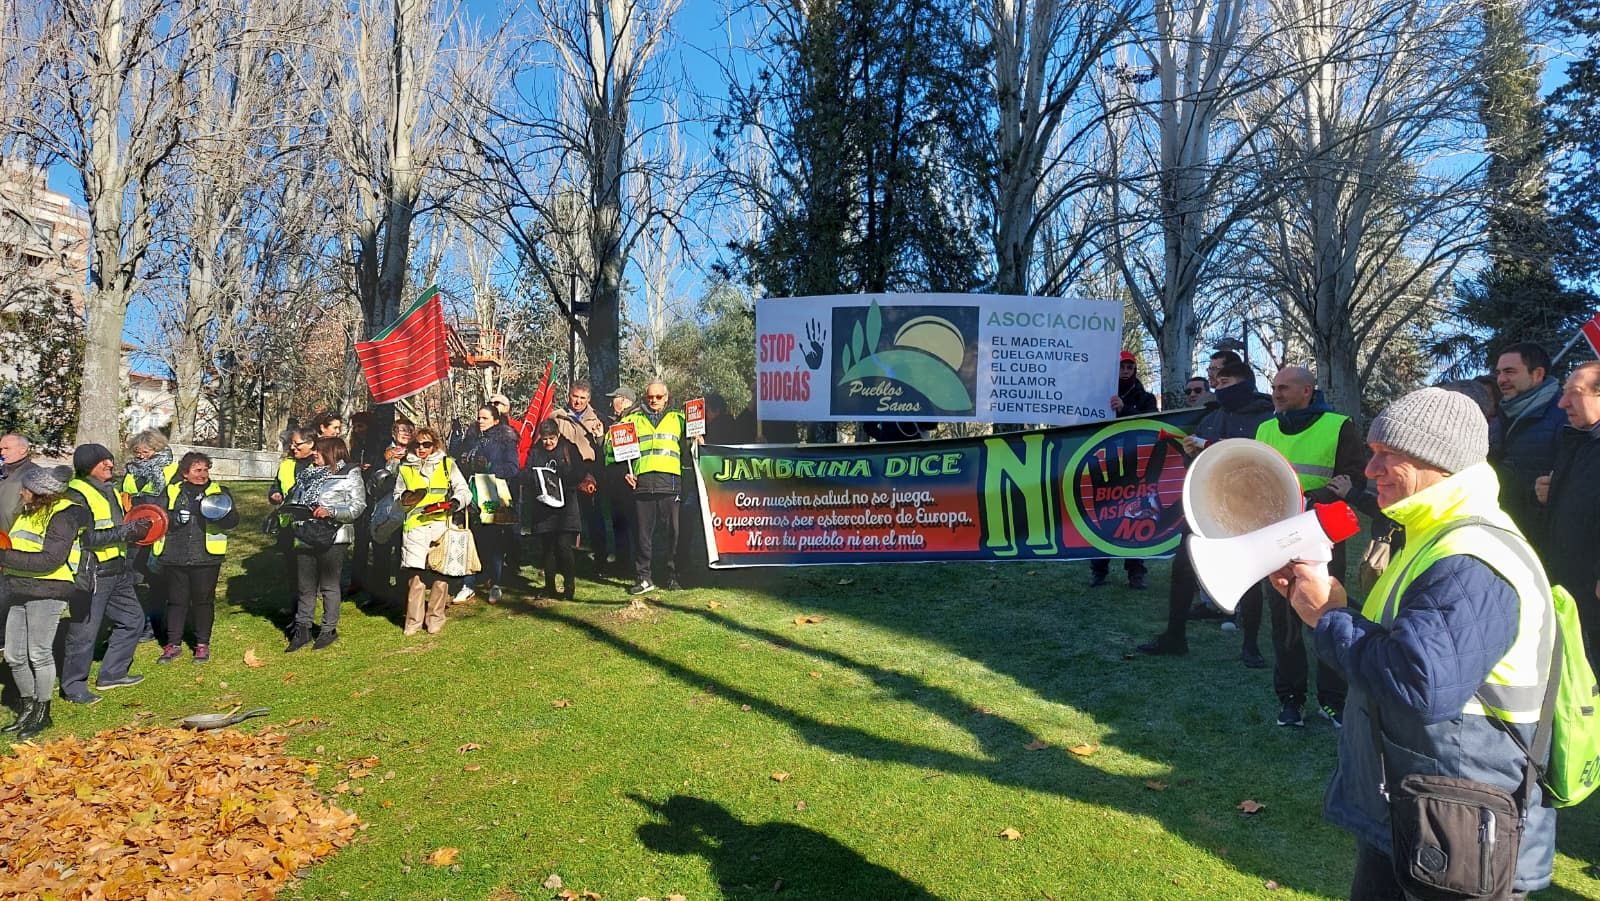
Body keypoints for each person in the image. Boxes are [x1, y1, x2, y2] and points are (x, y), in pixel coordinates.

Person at [1273, 386, 1555, 898]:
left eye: (1388, 456)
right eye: (1372, 453)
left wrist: (1330, 616)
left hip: (1461, 826)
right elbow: (1405, 650)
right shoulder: (1432, 534)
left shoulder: (1470, 553)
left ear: (1439, 464)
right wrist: (1328, 605)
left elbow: (1419, 682)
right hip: (1427, 809)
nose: (1369, 470)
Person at [1137, 361, 1273, 664]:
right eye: (1217, 383)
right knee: (1183, 569)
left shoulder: (1267, 420)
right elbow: (1196, 469)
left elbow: (1260, 461)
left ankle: (1250, 645)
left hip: (1246, 508)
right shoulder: (1211, 419)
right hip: (1204, 506)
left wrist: (1214, 447)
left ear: (1245, 384)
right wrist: (1191, 456)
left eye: (1225, 382)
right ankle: (1174, 636)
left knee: (1249, 575)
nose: (1219, 388)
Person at [1255, 365, 1365, 727]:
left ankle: (1333, 700)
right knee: (1284, 622)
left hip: (1322, 535)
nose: (1276, 393)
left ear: (1307, 391)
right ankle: (1290, 699)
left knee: (1327, 617)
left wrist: (1303, 500)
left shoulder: (1338, 426)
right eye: (1273, 387)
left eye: (1284, 387)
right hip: (1275, 535)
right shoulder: (1266, 428)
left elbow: (1351, 478)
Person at [59, 444, 154, 705]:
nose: (110, 465)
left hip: (117, 568)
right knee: (84, 632)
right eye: (103, 462)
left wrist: (136, 528)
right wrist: (128, 532)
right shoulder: (76, 495)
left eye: (110, 461)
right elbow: (87, 537)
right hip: (92, 571)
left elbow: (116, 525)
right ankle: (74, 687)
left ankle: (112, 674)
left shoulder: (109, 490)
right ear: (88, 467)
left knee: (133, 620)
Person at [0, 465, 85, 740]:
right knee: (14, 655)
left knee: (38, 653)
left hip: (50, 589)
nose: (21, 492)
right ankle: (27, 706)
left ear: (38, 493)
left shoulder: (63, 516)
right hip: (20, 587)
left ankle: (42, 711)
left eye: (25, 488)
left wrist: (4, 558)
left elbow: (52, 560)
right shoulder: (27, 514)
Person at [1536, 360, 1600, 665]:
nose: (1562, 403)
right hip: (1567, 590)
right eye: (1563, 393)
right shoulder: (1575, 440)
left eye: (1574, 393)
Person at [153, 453, 240, 664]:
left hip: (206, 556)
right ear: (185, 473)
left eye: (205, 470)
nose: (203, 475)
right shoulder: (172, 491)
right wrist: (174, 518)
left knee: (203, 601)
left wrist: (221, 515)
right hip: (175, 555)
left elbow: (233, 520)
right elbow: (157, 518)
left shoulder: (219, 491)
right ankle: (173, 644)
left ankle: (202, 644)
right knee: (176, 601)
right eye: (197, 470)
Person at [284, 437, 366, 651]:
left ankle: (328, 629)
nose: (314, 455)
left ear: (332, 452)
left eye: (319, 452)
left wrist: (332, 512)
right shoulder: (305, 474)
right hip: (304, 533)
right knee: (305, 586)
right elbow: (294, 497)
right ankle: (302, 629)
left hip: (333, 535)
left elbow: (358, 506)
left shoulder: (349, 473)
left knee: (329, 585)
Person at [394, 427, 471, 635]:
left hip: (441, 525)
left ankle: (436, 618)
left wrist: (455, 502)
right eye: (417, 444)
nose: (421, 449)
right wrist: (405, 500)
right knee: (416, 578)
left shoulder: (448, 464)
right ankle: (413, 622)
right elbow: (397, 497)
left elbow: (464, 490)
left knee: (440, 574)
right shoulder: (404, 468)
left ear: (434, 445)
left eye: (426, 444)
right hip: (415, 526)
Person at [612, 380, 687, 595]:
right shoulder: (632, 420)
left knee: (673, 534)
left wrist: (697, 439)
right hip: (642, 484)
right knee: (642, 535)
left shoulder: (679, 419)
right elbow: (618, 453)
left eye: (658, 397)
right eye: (650, 397)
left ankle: (672, 576)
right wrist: (625, 472)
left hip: (670, 484)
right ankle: (644, 577)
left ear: (667, 397)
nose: (653, 401)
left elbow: (691, 447)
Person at [1092, 351, 1159, 589]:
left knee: (1137, 515)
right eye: (1122, 367)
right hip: (1105, 464)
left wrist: (1125, 409)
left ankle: (1136, 572)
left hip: (1135, 466)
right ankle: (1098, 570)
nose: (1126, 371)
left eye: (1130, 367)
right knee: (1103, 514)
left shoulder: (1146, 397)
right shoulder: (1097, 395)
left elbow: (1152, 421)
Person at [1492, 342, 1567, 546]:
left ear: (1537, 374)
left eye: (1510, 372)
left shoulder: (1564, 417)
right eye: (1498, 372)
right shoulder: (1497, 417)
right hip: (1499, 533)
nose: (1501, 380)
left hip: (1541, 542)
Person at [460, 405, 520, 604]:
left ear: (496, 420)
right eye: (478, 417)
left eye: (485, 418)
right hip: (472, 491)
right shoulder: (472, 439)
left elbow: (513, 468)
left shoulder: (505, 440)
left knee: (493, 539)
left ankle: (495, 582)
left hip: (492, 491)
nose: (480, 421)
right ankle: (470, 581)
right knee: (472, 536)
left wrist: (490, 467)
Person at [525, 419, 583, 599]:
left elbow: (580, 472)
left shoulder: (569, 449)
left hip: (565, 507)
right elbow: (526, 473)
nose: (548, 443)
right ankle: (549, 586)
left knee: (563, 547)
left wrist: (564, 474)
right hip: (543, 507)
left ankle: (569, 586)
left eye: (551, 438)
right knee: (547, 548)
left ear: (558, 436)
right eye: (545, 439)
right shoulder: (535, 452)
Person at [552, 382, 607, 567]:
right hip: (564, 474)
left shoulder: (598, 419)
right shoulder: (557, 417)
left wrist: (600, 437)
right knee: (563, 520)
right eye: (575, 397)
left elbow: (605, 449)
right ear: (569, 395)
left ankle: (600, 560)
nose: (578, 401)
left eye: (583, 398)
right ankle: (563, 560)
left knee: (593, 518)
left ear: (588, 400)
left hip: (590, 474)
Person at [600, 387, 640, 577]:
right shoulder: (617, 422)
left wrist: (628, 472)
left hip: (627, 480)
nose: (611, 404)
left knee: (631, 525)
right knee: (619, 524)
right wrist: (601, 436)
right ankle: (623, 564)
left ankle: (634, 567)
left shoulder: (633, 420)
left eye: (614, 399)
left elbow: (634, 452)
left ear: (624, 401)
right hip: (615, 481)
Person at [0, 432, 43, 530]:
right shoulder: (1, 471)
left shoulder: (36, 475)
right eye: (1, 449)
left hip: (14, 539)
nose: (2, 453)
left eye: (7, 448)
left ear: (23, 449)